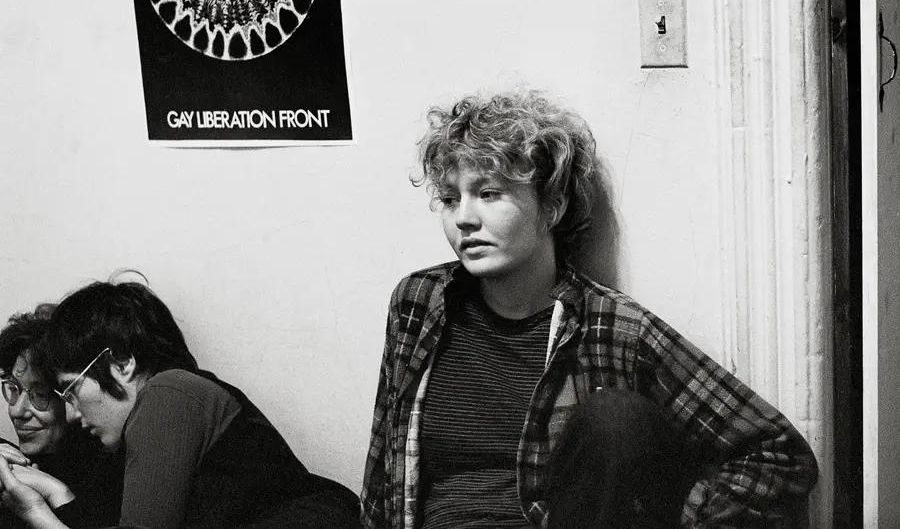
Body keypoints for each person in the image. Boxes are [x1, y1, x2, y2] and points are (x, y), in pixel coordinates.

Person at [360, 89, 819, 527]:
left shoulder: (612, 327)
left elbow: (778, 453)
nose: (463, 217)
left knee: (616, 418)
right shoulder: (420, 303)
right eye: (449, 198)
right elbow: (384, 465)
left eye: (489, 193)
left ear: (552, 207)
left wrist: (680, 519)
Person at [0, 277, 361, 529]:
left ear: (122, 364)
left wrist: (36, 511)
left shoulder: (169, 392)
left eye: (72, 388)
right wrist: (55, 491)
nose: (73, 411)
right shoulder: (155, 416)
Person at [0, 305, 123, 529]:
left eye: (40, 394)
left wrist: (56, 492)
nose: (17, 411)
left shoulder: (111, 477)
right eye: (13, 389)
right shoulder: (9, 459)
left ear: (73, 396)